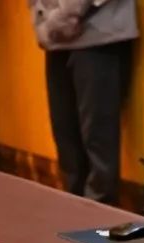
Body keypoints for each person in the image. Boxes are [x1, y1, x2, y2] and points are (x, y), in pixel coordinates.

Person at [29, 0, 138, 205]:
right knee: (66, 139)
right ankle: (75, 214)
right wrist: (43, 19)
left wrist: (59, 18)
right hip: (56, 37)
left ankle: (98, 219)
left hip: (99, 35)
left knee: (98, 142)